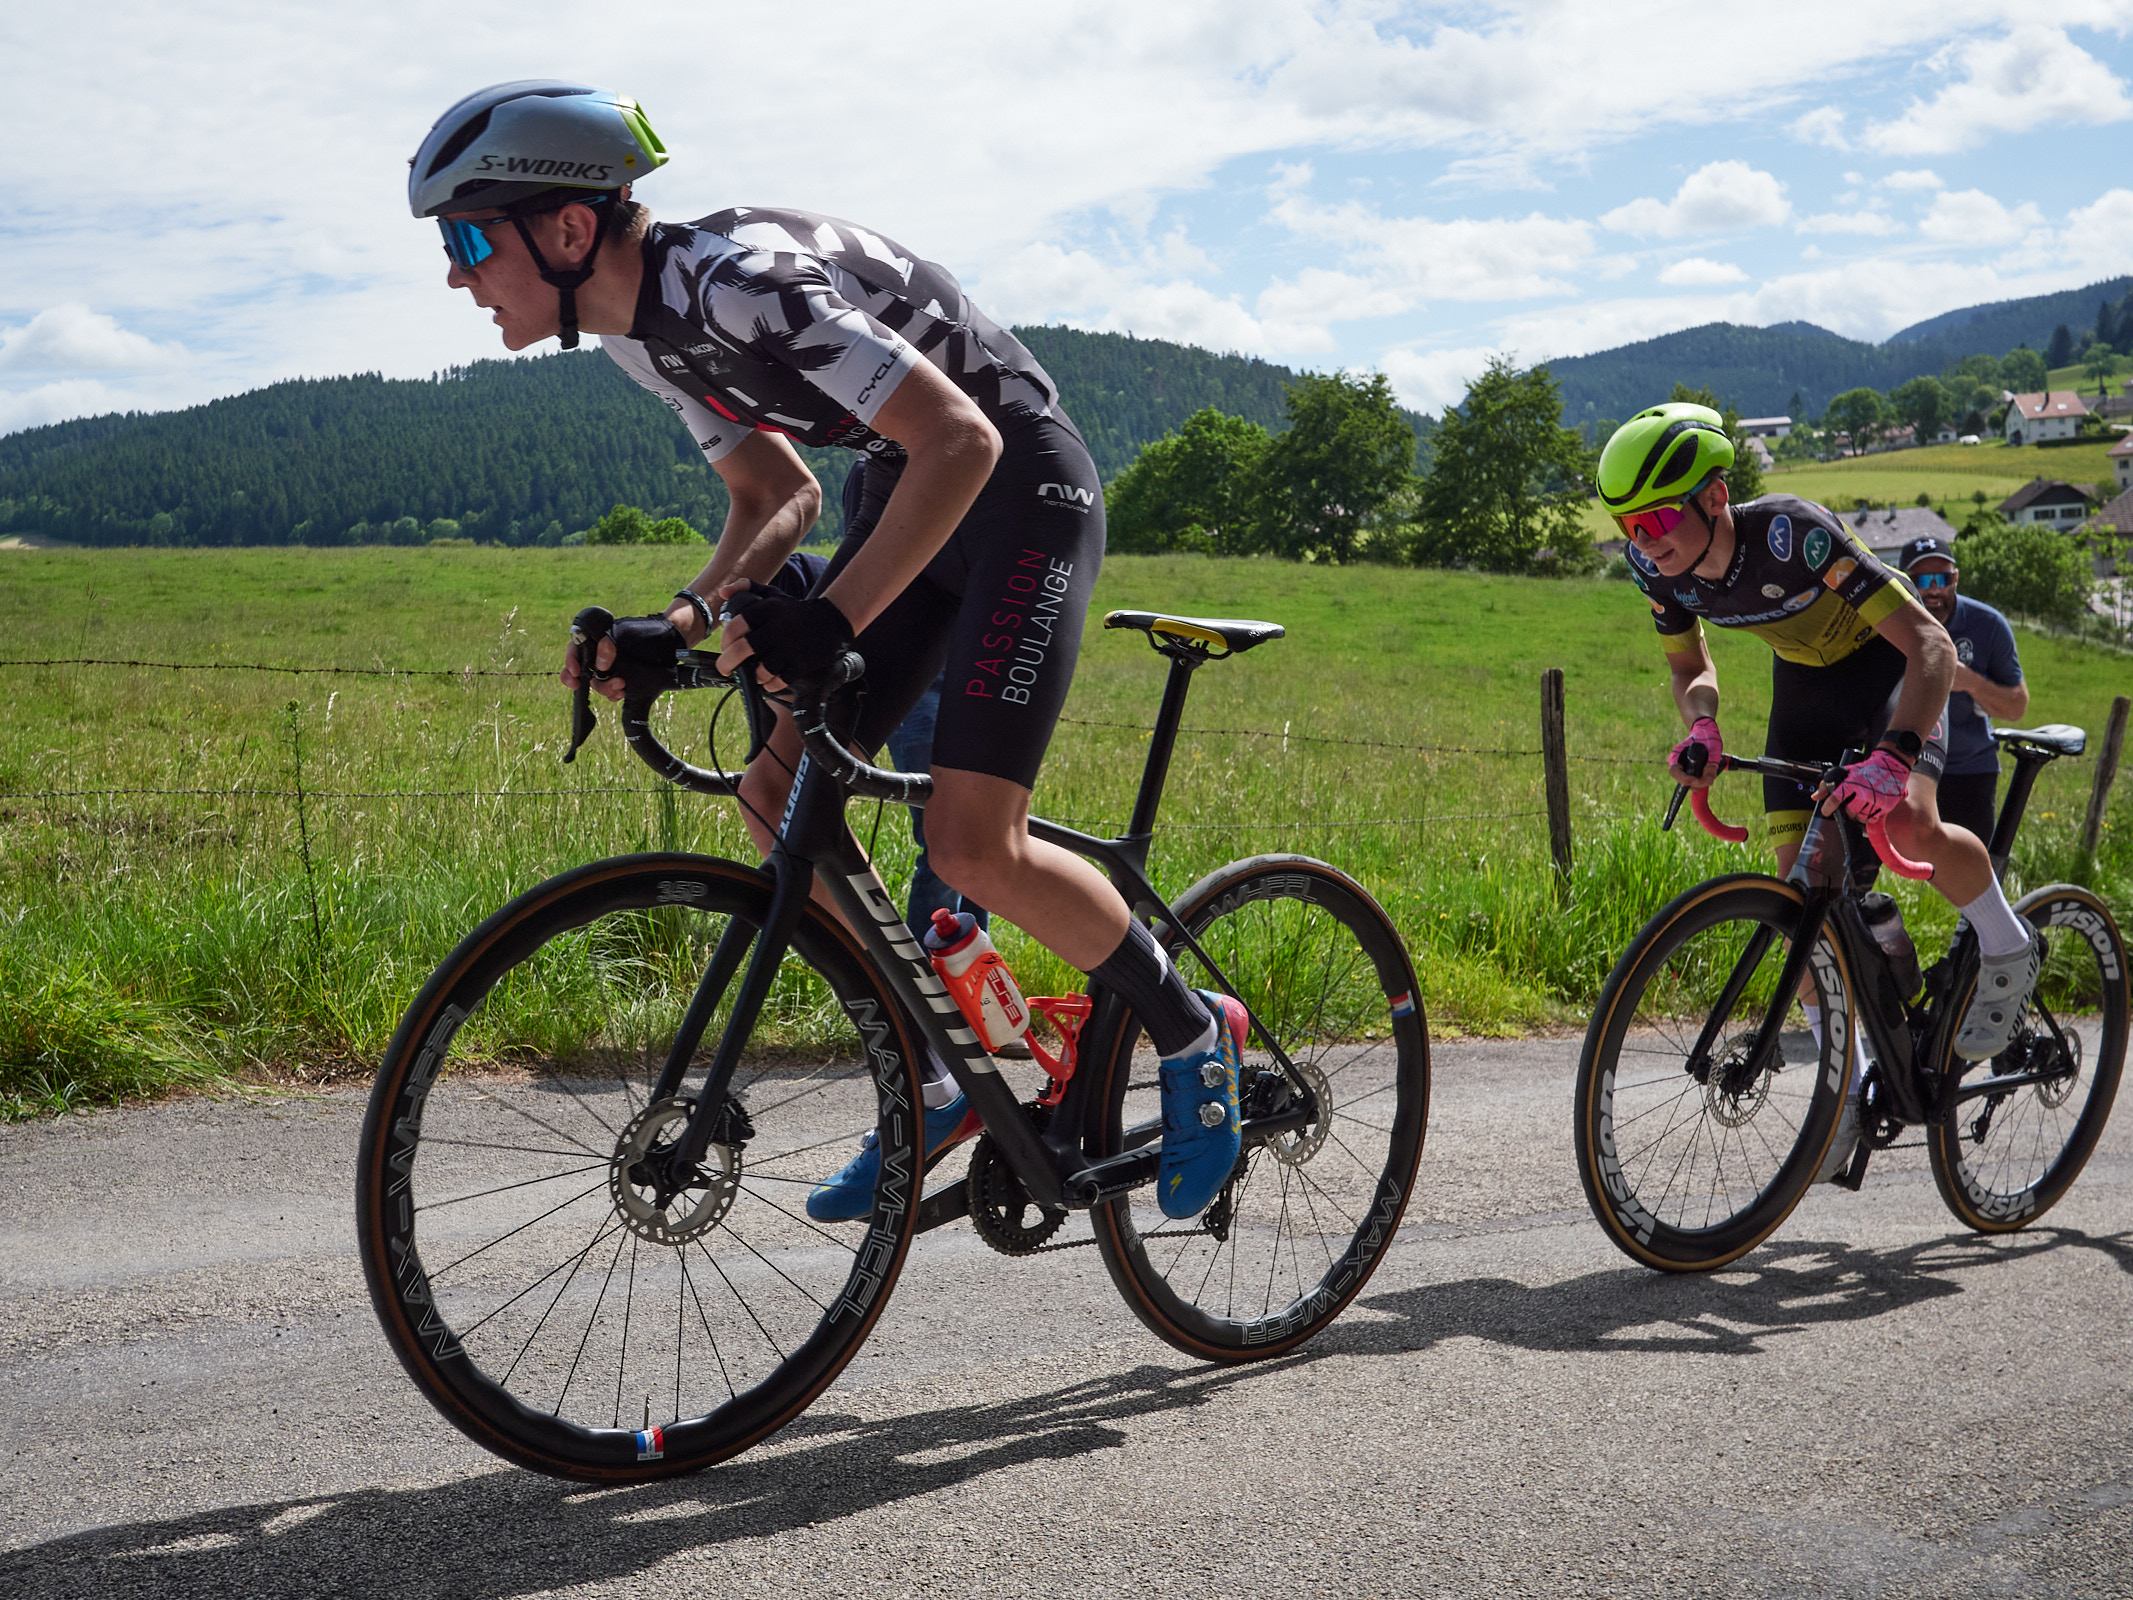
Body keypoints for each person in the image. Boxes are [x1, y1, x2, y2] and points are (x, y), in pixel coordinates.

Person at [410, 80, 1242, 1224]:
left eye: (467, 240)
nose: (456, 276)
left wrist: (834, 618)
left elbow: (964, 436)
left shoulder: (740, 286)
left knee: (971, 842)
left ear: (565, 229)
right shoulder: (640, 336)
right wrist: (681, 621)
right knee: (773, 793)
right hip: (911, 487)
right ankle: (939, 1076)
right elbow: (776, 492)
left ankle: (1194, 1031)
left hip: (1018, 486)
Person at [1599, 403, 2045, 1176]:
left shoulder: (1790, 535)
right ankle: (1846, 1095)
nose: (1644, 539)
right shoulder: (1655, 569)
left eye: (1657, 518)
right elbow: (1689, 667)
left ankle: (2007, 946)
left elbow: (1931, 645)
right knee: (1798, 900)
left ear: (1714, 495)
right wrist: (1701, 724)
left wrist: (1894, 754)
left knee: (1906, 825)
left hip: (1895, 675)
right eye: (1626, 526)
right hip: (1805, 699)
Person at [1897, 535, 2028, 846]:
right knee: (1908, 861)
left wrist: (1969, 681)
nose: (1933, 589)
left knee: (1970, 864)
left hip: (1970, 769)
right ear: (1903, 581)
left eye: (1942, 579)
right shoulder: (1889, 623)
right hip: (1905, 765)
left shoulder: (1988, 624)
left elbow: (2017, 707)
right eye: (1921, 581)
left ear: (1955, 578)